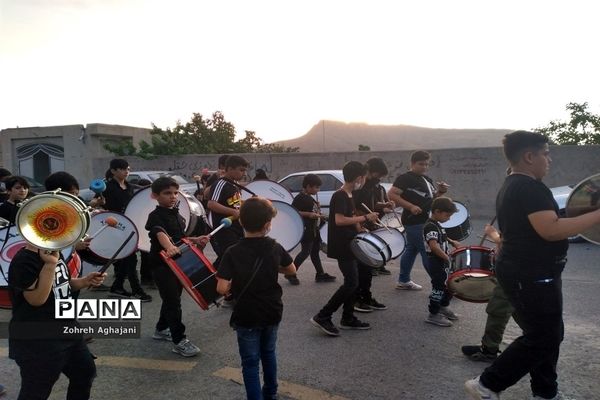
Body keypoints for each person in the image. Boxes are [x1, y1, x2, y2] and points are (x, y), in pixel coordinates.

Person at [465, 131, 600, 400]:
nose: (549, 159)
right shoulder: (530, 188)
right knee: (545, 336)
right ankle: (486, 384)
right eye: (546, 153)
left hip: (530, 271)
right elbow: (550, 229)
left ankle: (545, 391)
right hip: (531, 274)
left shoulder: (514, 185)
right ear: (529, 156)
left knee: (546, 333)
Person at [216, 197, 296, 400]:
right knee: (269, 354)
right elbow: (291, 270)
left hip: (246, 314)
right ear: (268, 224)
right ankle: (271, 393)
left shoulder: (232, 252)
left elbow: (221, 287)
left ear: (241, 221)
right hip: (272, 310)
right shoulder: (275, 247)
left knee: (250, 362)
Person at [8, 240, 106, 399]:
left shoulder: (52, 252)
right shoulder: (23, 261)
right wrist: (50, 265)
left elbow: (60, 284)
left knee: (85, 373)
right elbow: (36, 299)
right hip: (37, 340)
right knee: (35, 392)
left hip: (67, 330)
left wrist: (84, 281)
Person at [310, 161, 379, 336]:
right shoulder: (340, 195)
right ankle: (323, 316)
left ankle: (347, 318)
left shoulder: (349, 194)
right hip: (343, 245)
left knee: (353, 282)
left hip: (350, 241)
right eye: (363, 177)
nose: (364, 181)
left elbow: (350, 216)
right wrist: (365, 218)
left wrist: (358, 228)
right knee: (351, 283)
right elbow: (339, 220)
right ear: (358, 178)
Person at [145, 176, 210, 357]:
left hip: (176, 264)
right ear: (155, 196)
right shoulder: (155, 216)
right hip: (161, 265)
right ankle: (179, 340)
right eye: (167, 193)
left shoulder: (177, 215)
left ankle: (161, 328)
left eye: (175, 193)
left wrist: (195, 240)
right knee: (173, 301)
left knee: (171, 298)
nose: (173, 196)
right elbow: (159, 233)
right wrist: (169, 247)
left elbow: (179, 238)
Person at [388, 151, 449, 290]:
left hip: (424, 220)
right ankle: (440, 285)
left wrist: (440, 192)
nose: (424, 167)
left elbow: (431, 200)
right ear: (412, 164)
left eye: (427, 164)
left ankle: (403, 280)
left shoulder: (427, 179)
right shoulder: (405, 178)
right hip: (414, 221)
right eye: (421, 164)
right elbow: (391, 194)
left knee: (412, 249)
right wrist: (410, 206)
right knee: (428, 252)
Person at [98, 159, 151, 302]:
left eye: (127, 169)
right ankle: (137, 291)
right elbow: (97, 204)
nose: (126, 171)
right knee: (130, 258)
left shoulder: (130, 186)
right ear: (113, 171)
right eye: (122, 169)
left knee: (127, 258)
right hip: (115, 227)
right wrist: (100, 203)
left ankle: (117, 287)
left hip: (129, 226)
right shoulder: (106, 187)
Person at [461, 224, 514, 361]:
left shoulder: (521, 208)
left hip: (516, 272)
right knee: (503, 311)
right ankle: (489, 346)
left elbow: (515, 242)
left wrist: (493, 235)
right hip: (515, 270)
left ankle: (489, 350)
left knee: (499, 310)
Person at [289, 174, 336, 284]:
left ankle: (320, 274)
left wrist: (318, 210)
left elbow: (314, 212)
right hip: (306, 230)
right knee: (305, 252)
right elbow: (294, 211)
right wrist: (309, 214)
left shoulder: (310, 198)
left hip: (314, 229)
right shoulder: (300, 198)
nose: (318, 190)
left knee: (314, 252)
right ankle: (290, 273)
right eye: (316, 187)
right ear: (309, 186)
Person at [422, 196, 460, 327]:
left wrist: (451, 241)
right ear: (437, 211)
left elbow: (440, 235)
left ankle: (443, 306)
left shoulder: (436, 224)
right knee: (438, 288)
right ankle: (433, 314)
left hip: (442, 261)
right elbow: (434, 246)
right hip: (436, 261)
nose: (448, 218)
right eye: (447, 215)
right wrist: (446, 257)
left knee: (449, 285)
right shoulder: (430, 226)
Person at [354, 157, 395, 277]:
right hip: (362, 219)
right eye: (378, 174)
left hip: (371, 218)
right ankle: (368, 267)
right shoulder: (360, 186)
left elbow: (373, 203)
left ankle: (375, 266)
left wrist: (385, 204)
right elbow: (356, 205)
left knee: (375, 243)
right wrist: (361, 220)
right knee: (365, 245)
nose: (379, 178)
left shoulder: (373, 186)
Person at [207, 155, 249, 266]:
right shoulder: (220, 184)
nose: (244, 174)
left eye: (245, 170)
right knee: (229, 258)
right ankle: (211, 280)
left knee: (229, 258)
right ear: (230, 169)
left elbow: (235, 204)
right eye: (241, 170)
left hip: (235, 228)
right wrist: (232, 212)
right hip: (224, 230)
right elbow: (211, 204)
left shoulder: (235, 185)